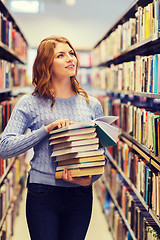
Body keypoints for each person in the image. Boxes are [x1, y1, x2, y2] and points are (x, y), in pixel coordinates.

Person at [0, 35, 105, 240]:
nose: (70, 58)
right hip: (43, 193)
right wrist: (45, 130)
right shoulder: (29, 103)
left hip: (81, 194)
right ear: (46, 63)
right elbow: (4, 148)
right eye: (61, 55)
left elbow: (101, 154)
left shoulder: (92, 104)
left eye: (72, 53)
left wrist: (89, 179)